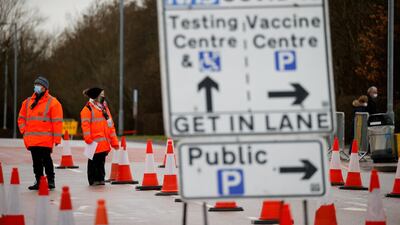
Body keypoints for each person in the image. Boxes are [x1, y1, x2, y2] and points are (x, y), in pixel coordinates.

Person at [17, 76, 63, 190]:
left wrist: (57, 139)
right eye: (35, 84)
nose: (36, 87)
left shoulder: (53, 103)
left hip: (45, 140)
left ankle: (51, 180)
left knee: (46, 160)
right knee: (36, 162)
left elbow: (57, 122)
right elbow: (21, 118)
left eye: (39, 85)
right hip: (32, 140)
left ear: (45, 88)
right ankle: (39, 181)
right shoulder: (27, 102)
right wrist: (24, 130)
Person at [80, 87, 119, 186]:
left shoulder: (104, 108)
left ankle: (100, 179)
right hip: (93, 144)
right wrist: (88, 139)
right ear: (96, 96)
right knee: (93, 163)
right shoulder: (87, 109)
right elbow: (85, 125)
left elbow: (110, 125)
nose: (103, 96)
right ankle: (93, 180)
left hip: (104, 143)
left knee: (101, 163)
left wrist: (114, 142)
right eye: (101, 94)